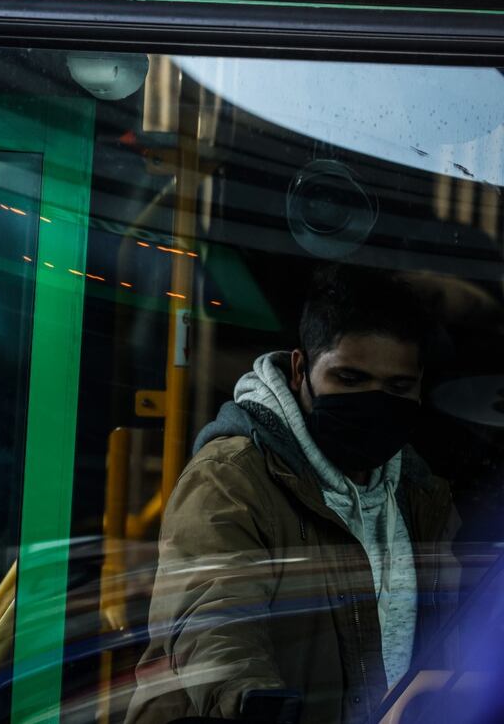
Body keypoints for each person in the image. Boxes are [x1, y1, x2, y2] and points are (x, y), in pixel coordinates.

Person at [128, 266, 457, 724]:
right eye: (349, 378)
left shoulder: (421, 492)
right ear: (301, 369)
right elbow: (212, 617)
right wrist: (256, 703)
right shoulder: (232, 478)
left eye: (398, 387)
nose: (373, 400)